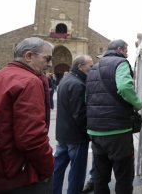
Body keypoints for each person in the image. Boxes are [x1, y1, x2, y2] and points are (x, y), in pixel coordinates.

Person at [0, 37, 54, 193]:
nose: (49, 64)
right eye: (47, 58)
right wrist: (48, 167)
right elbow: (32, 138)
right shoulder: (29, 81)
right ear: (29, 56)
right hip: (15, 174)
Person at [86, 39, 142, 194]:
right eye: (126, 50)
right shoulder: (120, 63)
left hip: (95, 131)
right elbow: (125, 87)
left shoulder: (94, 68)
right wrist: (138, 104)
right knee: (124, 175)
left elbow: (87, 97)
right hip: (117, 131)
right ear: (120, 50)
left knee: (100, 175)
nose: (127, 53)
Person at [53, 55, 94, 194]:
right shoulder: (78, 84)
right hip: (76, 137)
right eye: (90, 66)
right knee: (77, 173)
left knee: (57, 169)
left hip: (63, 134)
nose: (92, 68)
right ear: (80, 66)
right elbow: (80, 114)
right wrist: (88, 132)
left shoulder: (66, 80)